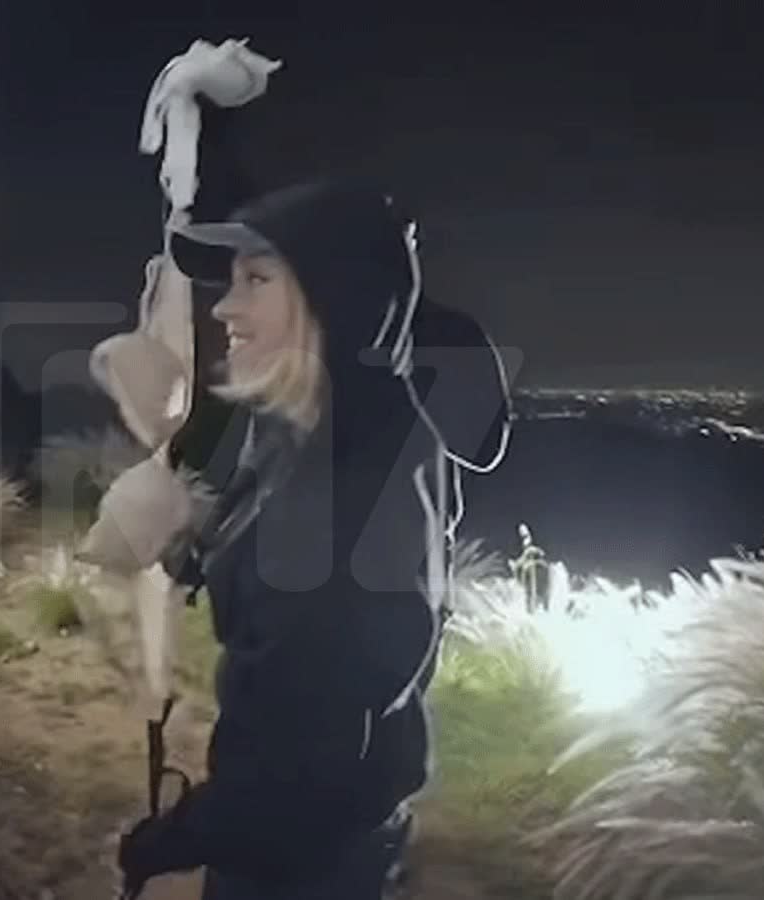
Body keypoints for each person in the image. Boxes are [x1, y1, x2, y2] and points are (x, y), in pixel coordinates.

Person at [116, 174, 511, 898]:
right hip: (342, 828)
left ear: (333, 299)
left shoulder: (339, 511)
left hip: (300, 863)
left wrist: (167, 841)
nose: (224, 306)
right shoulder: (352, 416)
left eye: (256, 280)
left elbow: (292, 776)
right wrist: (198, 545)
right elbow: (249, 488)